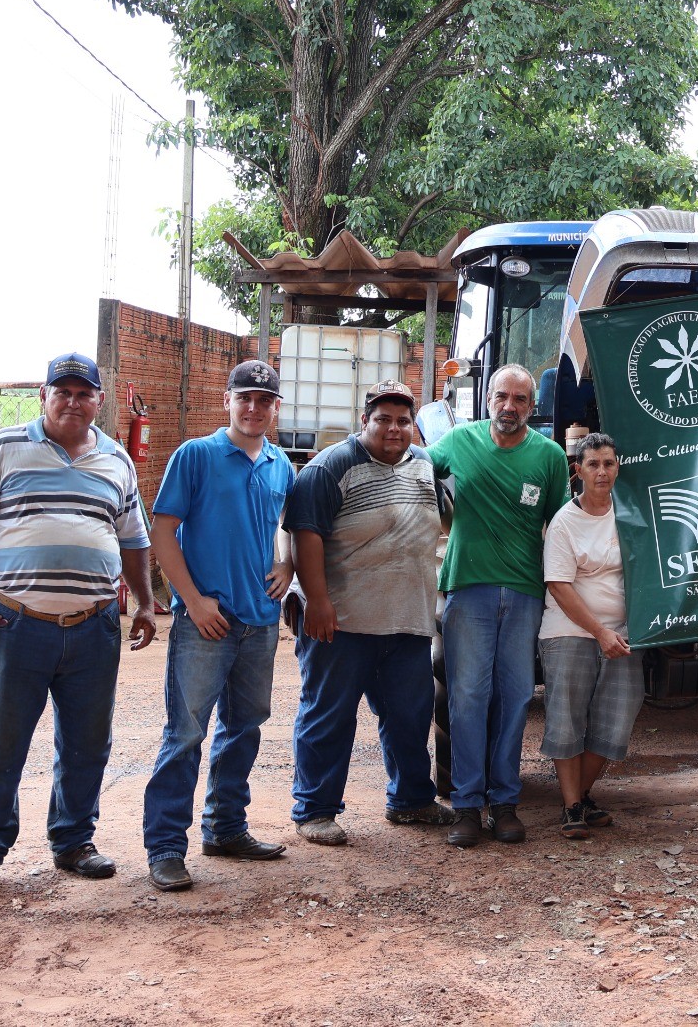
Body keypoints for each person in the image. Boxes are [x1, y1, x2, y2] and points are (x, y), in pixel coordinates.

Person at [0, 352, 157, 897]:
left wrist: (145, 602)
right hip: (19, 624)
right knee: (2, 743)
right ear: (44, 396)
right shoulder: (3, 448)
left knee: (88, 743)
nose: (72, 401)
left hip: (94, 627)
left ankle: (73, 842)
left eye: (83, 393)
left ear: (98, 401)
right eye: (61, 391)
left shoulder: (117, 461)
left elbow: (134, 539)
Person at [143, 359, 295, 893]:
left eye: (264, 400)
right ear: (227, 402)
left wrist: (287, 565)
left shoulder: (280, 465)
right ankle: (165, 847)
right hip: (205, 622)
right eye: (244, 398)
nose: (253, 408)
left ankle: (226, 828)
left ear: (276, 408)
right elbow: (162, 533)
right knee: (185, 733)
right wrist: (192, 602)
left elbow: (284, 529)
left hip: (259, 622)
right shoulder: (197, 455)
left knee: (244, 727)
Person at [283, 380, 455, 848]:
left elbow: (444, 520)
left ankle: (411, 801)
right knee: (328, 716)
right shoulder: (330, 468)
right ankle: (315, 809)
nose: (394, 428)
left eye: (403, 420)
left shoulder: (423, 464)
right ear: (365, 421)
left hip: (407, 617)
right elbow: (305, 534)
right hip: (342, 620)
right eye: (383, 418)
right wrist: (317, 600)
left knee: (409, 715)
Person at [429, 364, 571, 847]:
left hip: (526, 592)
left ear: (533, 406)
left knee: (514, 697)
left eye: (520, 400)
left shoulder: (549, 456)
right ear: (488, 398)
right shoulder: (458, 442)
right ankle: (467, 804)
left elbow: (562, 525)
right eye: (502, 397)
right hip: (468, 588)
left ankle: (505, 802)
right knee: (467, 697)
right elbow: (409, 470)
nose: (509, 407)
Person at [538, 432, 644, 839]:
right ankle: (571, 808)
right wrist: (599, 632)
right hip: (570, 629)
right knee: (567, 714)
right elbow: (560, 586)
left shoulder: (629, 513)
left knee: (618, 715)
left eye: (609, 464)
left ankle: (579, 795)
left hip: (622, 633)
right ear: (577, 470)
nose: (602, 472)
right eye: (594, 464)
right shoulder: (566, 522)